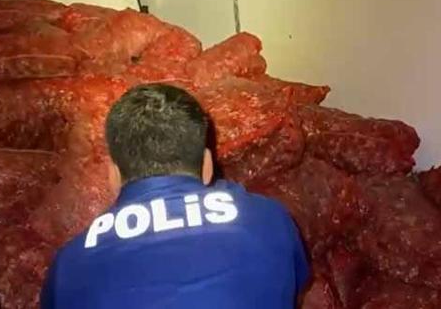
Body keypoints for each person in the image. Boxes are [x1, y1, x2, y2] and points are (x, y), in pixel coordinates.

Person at [40, 84, 309, 309]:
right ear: (207, 165)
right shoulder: (271, 219)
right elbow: (293, 289)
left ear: (113, 176)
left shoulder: (67, 268)